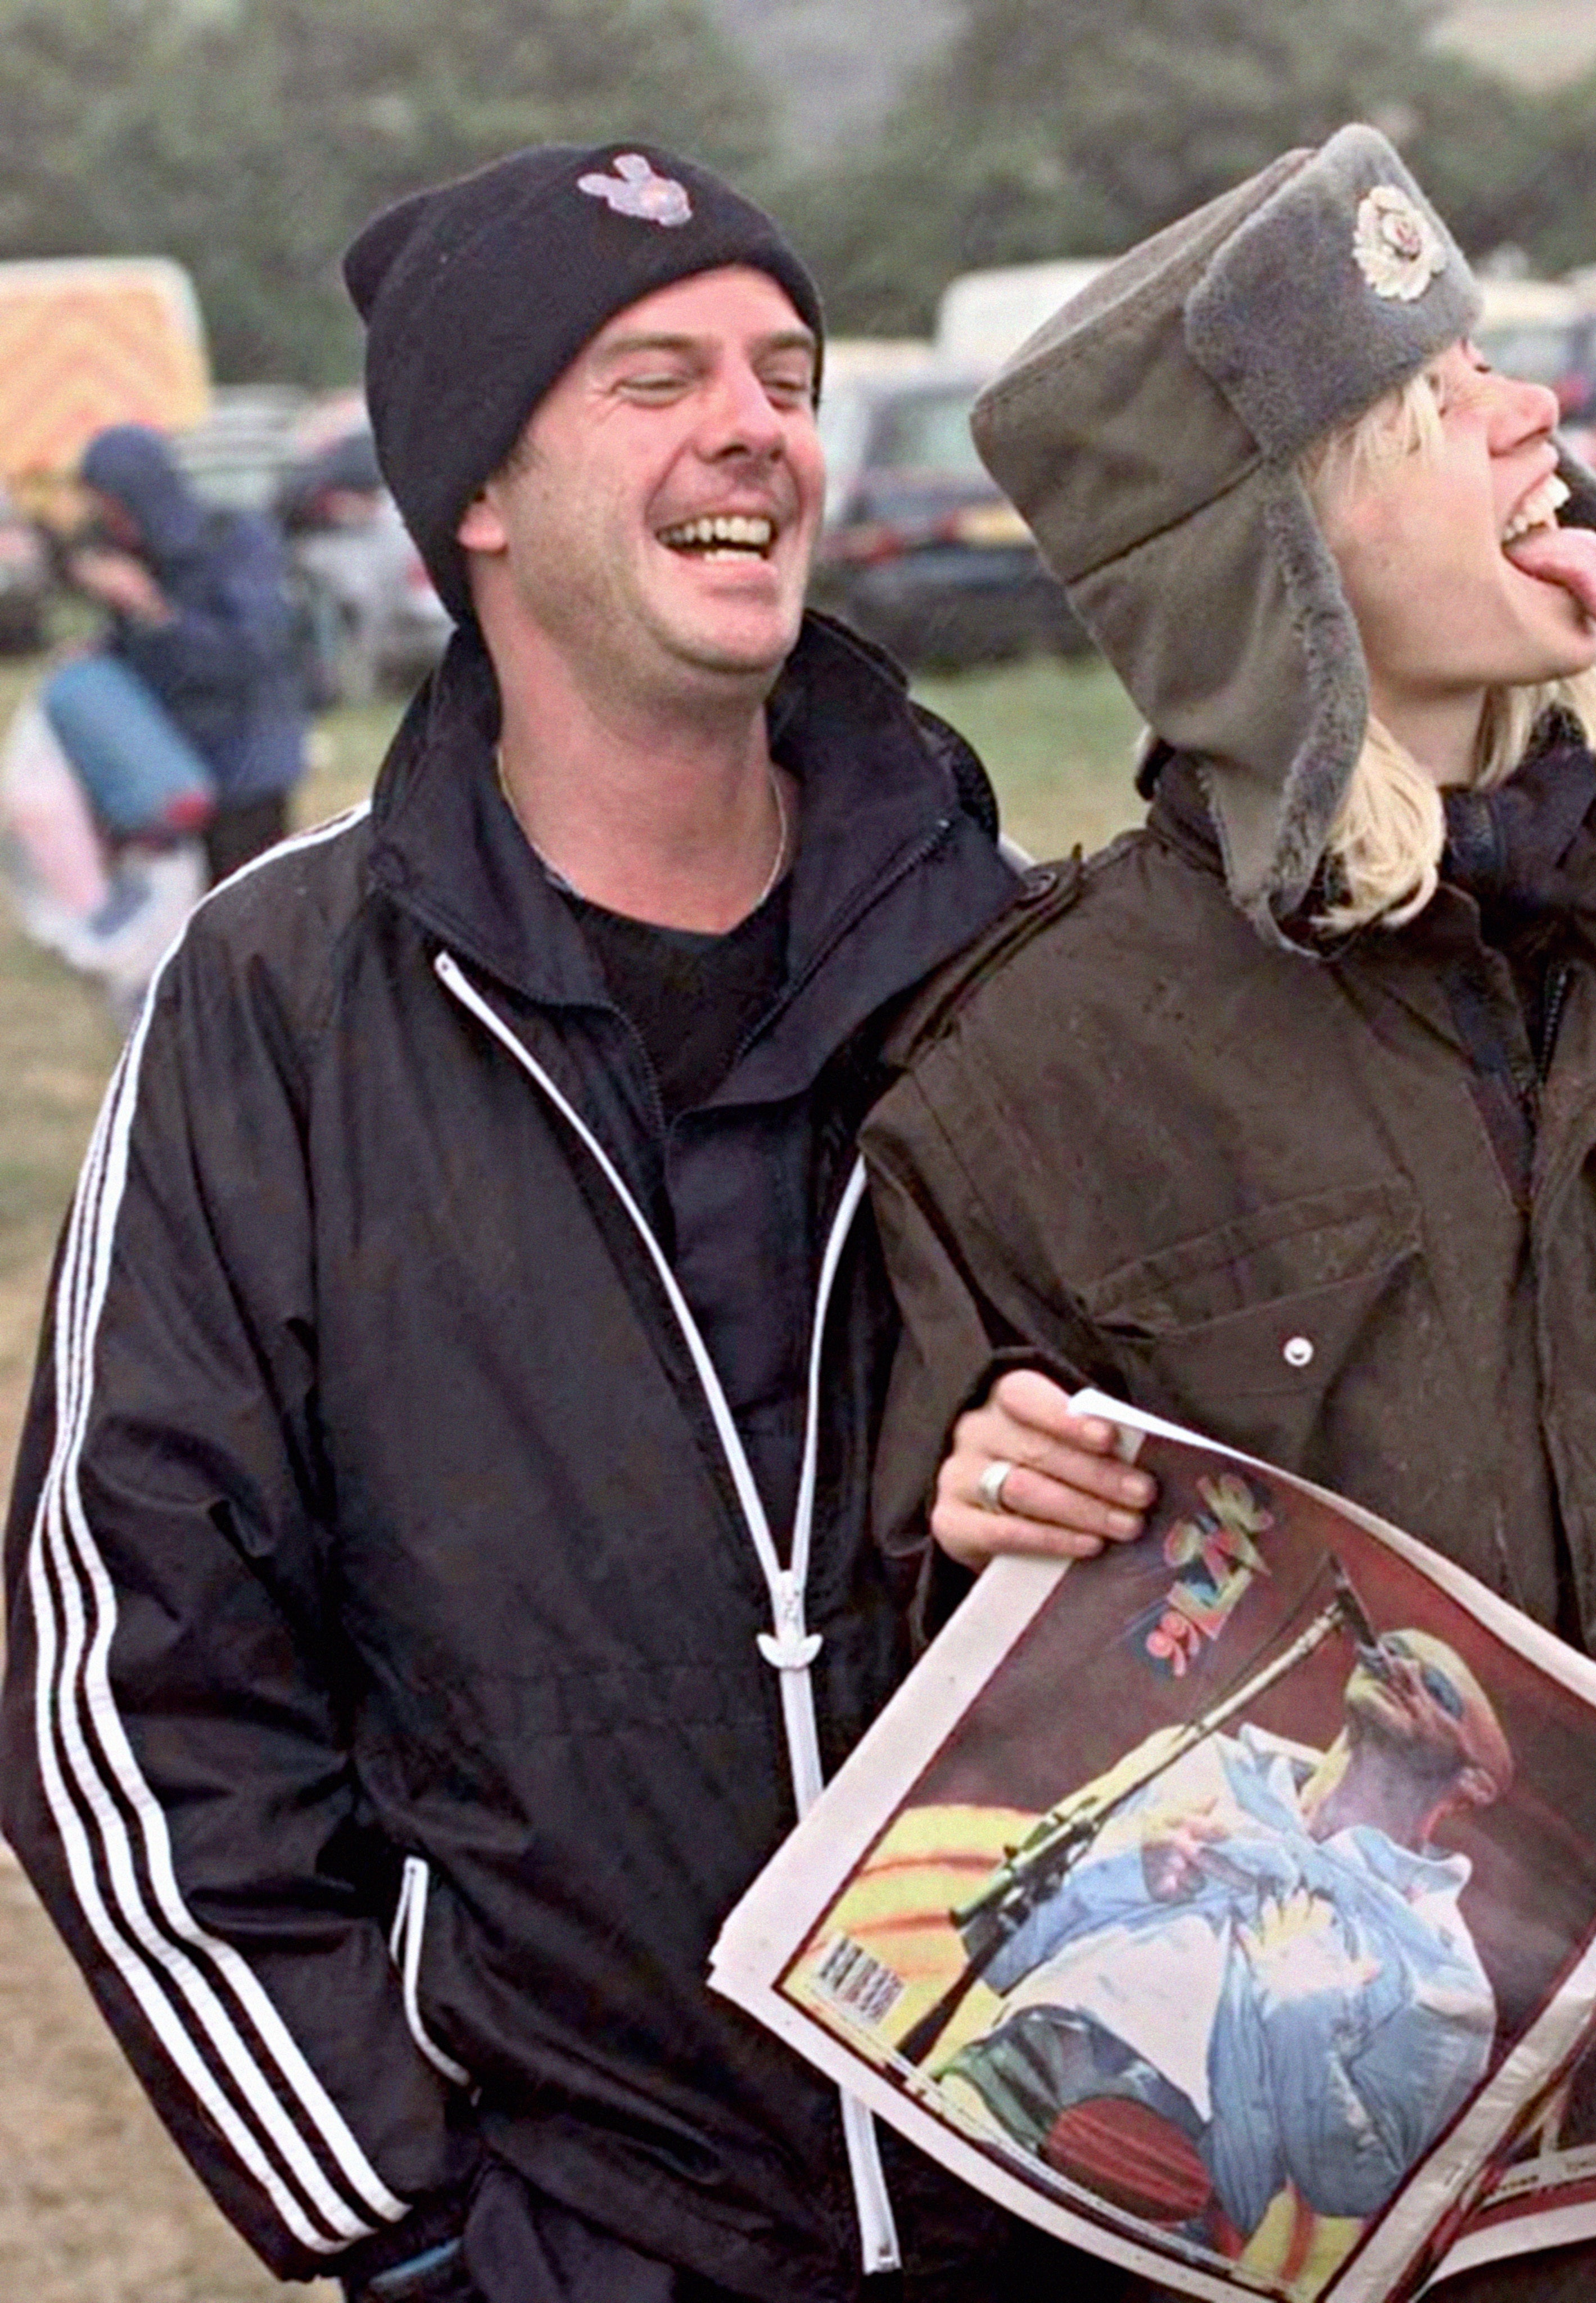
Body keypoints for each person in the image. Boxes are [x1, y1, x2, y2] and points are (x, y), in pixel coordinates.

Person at [861, 128, 1596, 2303]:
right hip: (1384, 2218)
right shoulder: (1027, 1084)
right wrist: (970, 1514)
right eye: (1426, 413)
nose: (1528, 415)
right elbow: (913, 1674)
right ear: (1266, 581)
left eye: (1494, 368)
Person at [1, 143, 1132, 2303]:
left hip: (1086, 2223)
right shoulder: (278, 1012)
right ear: (477, 502)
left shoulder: (1024, 968)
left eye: (785, 371)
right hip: (579, 2242)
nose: (755, 425)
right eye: (653, 374)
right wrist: (409, 2230)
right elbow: (124, 1694)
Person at [939, 1624, 1512, 2242]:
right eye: (1392, 1650)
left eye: (1437, 1690)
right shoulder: (1192, 1760)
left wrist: (1301, 2020)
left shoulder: (1444, 1972)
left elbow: (1350, 2186)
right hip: (1004, 2082)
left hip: (1164, 2200)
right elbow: (988, 1942)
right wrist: (1125, 1867)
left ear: (1475, 1780)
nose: (1398, 1670)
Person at [65, 421, 307, 881]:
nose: (110, 520)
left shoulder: (235, 540)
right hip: (178, 763)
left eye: (114, 508)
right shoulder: (139, 553)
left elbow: (250, 654)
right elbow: (151, 656)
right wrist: (103, 650)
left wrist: (152, 609)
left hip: (247, 762)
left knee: (246, 911)